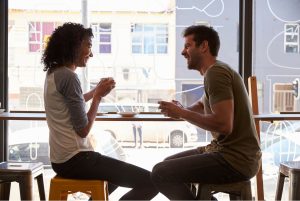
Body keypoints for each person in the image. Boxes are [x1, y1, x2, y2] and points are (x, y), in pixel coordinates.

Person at [42, 22, 158, 200]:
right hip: (77, 159)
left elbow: (73, 102)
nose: (91, 53)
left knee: (115, 175)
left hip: (61, 160)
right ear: (73, 45)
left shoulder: (54, 72)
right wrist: (98, 98)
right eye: (88, 45)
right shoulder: (69, 77)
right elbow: (83, 130)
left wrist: (95, 91)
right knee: (150, 182)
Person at [151, 25, 261, 200]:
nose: (183, 52)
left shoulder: (215, 74)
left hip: (235, 160)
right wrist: (181, 109)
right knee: (166, 166)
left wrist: (181, 112)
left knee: (161, 173)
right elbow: (202, 105)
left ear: (203, 46)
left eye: (187, 46)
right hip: (224, 152)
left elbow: (224, 125)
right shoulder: (215, 72)